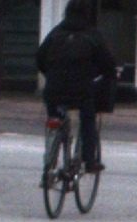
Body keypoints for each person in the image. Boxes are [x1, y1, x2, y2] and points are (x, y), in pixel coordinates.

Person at [35, 0, 116, 173]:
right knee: (88, 121)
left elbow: (40, 57)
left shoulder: (56, 32)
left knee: (55, 118)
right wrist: (95, 75)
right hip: (81, 91)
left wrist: (51, 75)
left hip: (54, 89)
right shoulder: (92, 35)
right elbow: (108, 63)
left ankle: (50, 162)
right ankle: (89, 161)